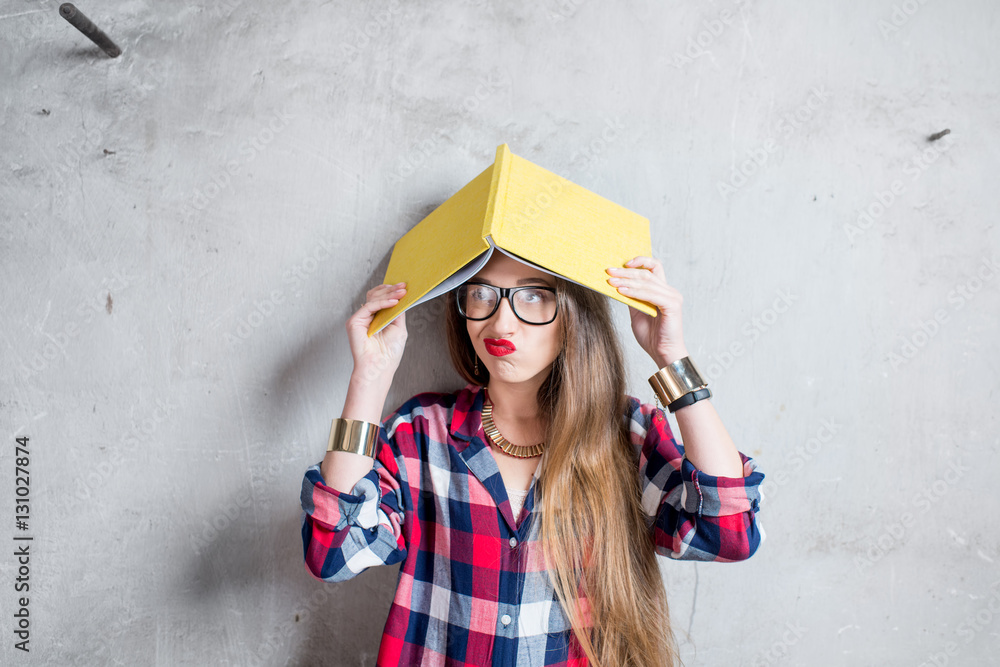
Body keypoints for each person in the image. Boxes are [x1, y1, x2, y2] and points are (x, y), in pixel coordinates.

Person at [300, 250, 764, 667]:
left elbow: (727, 534)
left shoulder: (626, 433)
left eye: (534, 297)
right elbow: (333, 554)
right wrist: (369, 380)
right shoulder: (421, 431)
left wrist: (670, 355)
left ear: (574, 314)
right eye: (482, 294)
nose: (500, 324)